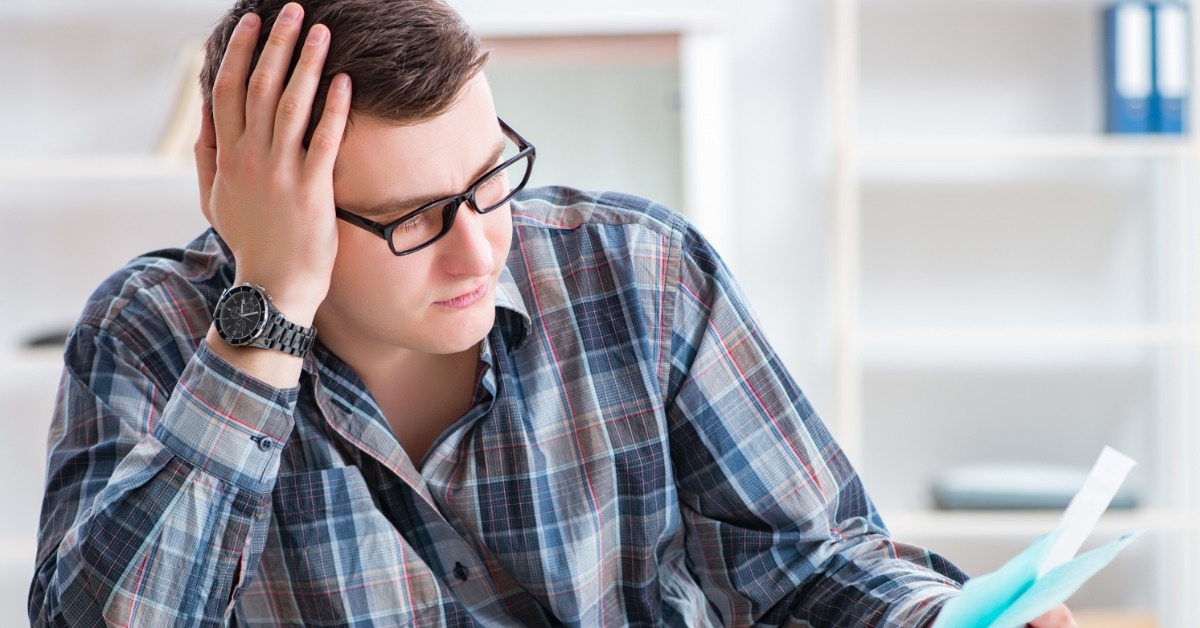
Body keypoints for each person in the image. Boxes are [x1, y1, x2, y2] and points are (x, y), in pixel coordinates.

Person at [28, 0, 1077, 625]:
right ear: (253, 200)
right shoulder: (154, 334)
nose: (485, 244)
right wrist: (265, 316)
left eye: (492, 179)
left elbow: (808, 567)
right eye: (411, 217)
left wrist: (939, 616)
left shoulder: (643, 273)